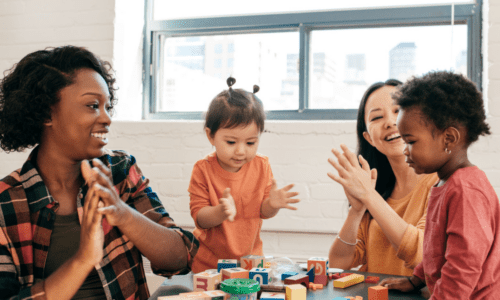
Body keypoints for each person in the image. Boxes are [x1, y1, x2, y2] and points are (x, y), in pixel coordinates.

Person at [0, 46, 198, 300]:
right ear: (47, 113)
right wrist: (83, 259)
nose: (107, 118)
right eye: (93, 105)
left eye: (107, 106)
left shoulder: (120, 171)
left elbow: (181, 257)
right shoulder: (6, 204)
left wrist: (122, 213)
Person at [378, 71, 500, 299]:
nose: (405, 150)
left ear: (449, 139)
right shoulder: (446, 182)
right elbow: (437, 249)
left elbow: (462, 268)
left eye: (411, 141)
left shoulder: (466, 191)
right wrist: (416, 280)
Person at [188, 77, 300, 273]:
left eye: (250, 143)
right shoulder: (203, 169)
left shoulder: (261, 165)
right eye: (231, 142)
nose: (241, 151)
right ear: (210, 136)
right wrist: (220, 212)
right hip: (209, 266)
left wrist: (272, 205)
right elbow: (199, 218)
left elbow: (263, 212)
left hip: (251, 263)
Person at [327, 79, 438, 277]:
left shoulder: (439, 184)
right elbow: (338, 263)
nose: (390, 122)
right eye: (377, 117)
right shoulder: (376, 189)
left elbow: (422, 255)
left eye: (398, 111)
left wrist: (369, 196)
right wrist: (357, 211)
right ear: (369, 138)